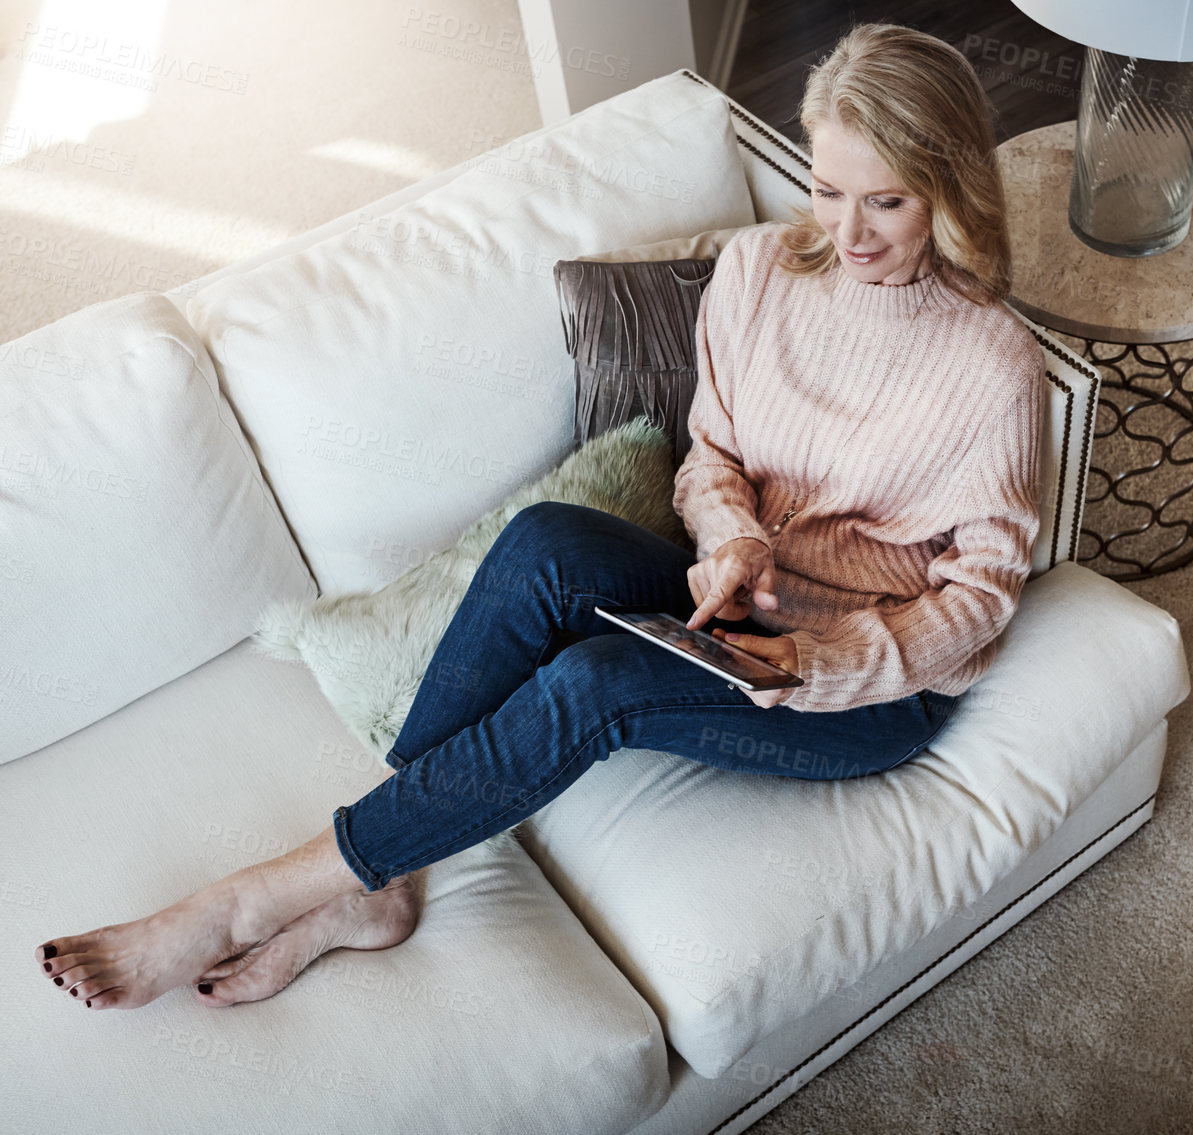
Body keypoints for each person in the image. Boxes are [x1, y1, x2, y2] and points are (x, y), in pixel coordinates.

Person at [32, 22, 1046, 1012]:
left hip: (866, 685)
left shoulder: (995, 368)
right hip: (743, 613)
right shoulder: (758, 273)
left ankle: (255, 896)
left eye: (887, 201)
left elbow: (980, 600)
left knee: (596, 681)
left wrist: (815, 664)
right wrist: (732, 542)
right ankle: (380, 875)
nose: (848, 231)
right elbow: (713, 455)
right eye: (826, 190)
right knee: (545, 541)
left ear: (949, 189)